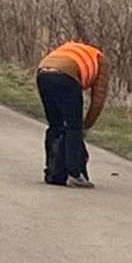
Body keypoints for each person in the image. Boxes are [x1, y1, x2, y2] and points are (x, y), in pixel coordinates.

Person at [36, 41, 109, 189]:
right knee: (73, 127)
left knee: (55, 125)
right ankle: (74, 175)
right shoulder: (102, 61)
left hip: (43, 73)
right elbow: (98, 98)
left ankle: (52, 171)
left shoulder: (73, 47)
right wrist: (86, 125)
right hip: (66, 76)